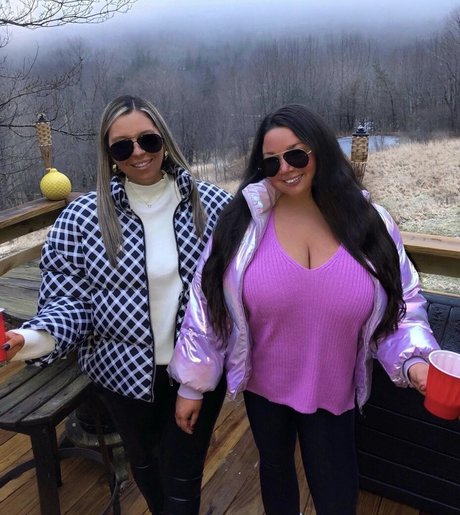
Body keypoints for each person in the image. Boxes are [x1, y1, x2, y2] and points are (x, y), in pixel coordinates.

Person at [168, 104, 440, 515]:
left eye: (296, 155)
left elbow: (402, 306)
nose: (285, 169)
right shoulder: (242, 225)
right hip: (263, 387)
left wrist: (415, 360)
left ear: (321, 151)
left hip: (334, 388)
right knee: (275, 472)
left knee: (336, 491)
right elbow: (207, 306)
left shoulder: (370, 224)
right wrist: (192, 384)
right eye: (271, 161)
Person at [3, 95, 232, 515]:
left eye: (148, 140)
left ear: (165, 140)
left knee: (183, 480)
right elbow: (69, 304)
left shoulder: (213, 207)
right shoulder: (81, 220)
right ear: (108, 154)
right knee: (146, 468)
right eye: (122, 146)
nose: (138, 153)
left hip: (196, 372)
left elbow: (240, 289)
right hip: (121, 377)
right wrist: (27, 339)